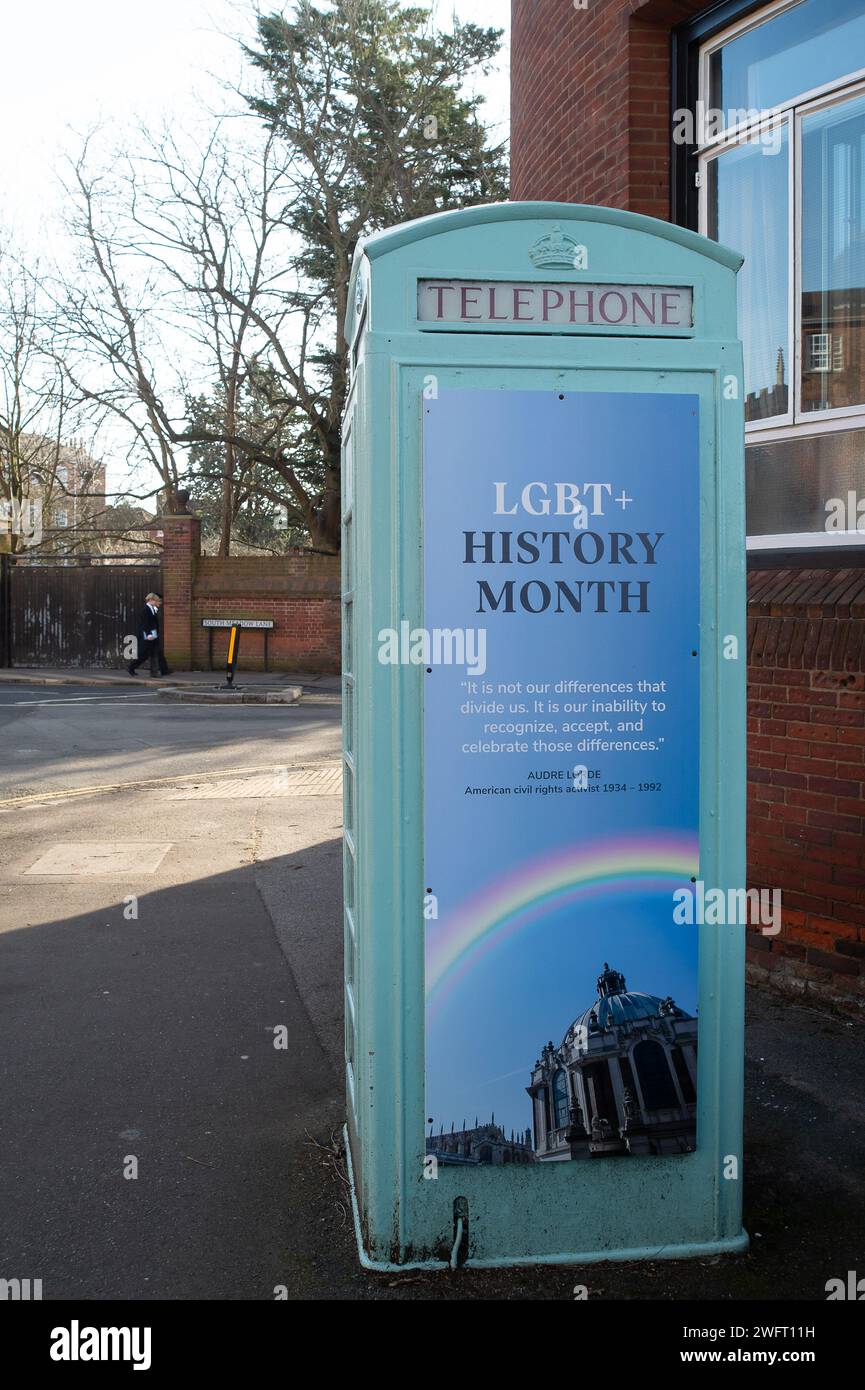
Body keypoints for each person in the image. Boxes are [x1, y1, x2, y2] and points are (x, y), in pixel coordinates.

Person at [127, 592, 171, 677]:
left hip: (153, 636)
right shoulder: (145, 610)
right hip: (148, 636)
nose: (159, 603)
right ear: (151, 600)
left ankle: (164, 670)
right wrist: (148, 634)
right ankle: (131, 667)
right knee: (143, 654)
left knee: (159, 653)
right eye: (158, 601)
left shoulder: (152, 609)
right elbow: (144, 624)